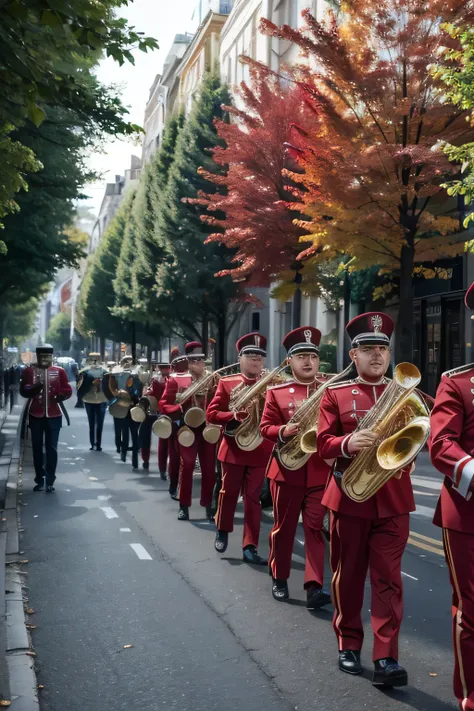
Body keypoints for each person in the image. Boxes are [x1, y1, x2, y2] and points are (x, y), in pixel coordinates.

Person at [317, 312, 414, 686]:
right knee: (350, 575)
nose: (377, 356)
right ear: (353, 355)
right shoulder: (334, 393)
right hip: (349, 497)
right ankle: (349, 643)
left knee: (389, 579)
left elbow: (427, 432)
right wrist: (346, 442)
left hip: (393, 499)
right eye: (369, 349)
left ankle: (386, 657)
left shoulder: (407, 394)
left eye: (383, 349)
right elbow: (321, 444)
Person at [259, 327, 332, 606]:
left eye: (312, 356)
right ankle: (279, 576)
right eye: (301, 356)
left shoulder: (330, 389)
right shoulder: (276, 393)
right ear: (289, 361)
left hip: (317, 471)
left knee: (314, 528)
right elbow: (265, 428)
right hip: (286, 471)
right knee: (284, 527)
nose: (308, 362)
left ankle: (313, 586)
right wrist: (282, 430)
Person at [429, 282, 474, 711]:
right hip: (469, 512)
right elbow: (442, 445)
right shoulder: (458, 383)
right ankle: (471, 695)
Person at [207, 333, 274, 565]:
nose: (255, 360)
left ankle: (249, 546)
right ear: (240, 358)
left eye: (259, 356)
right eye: (250, 355)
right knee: (228, 493)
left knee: (253, 499)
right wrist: (233, 415)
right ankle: (222, 529)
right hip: (234, 449)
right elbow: (211, 414)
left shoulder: (273, 384)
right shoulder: (227, 383)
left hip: (259, 451)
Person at [159, 342, 216, 521]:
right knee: (188, 465)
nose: (198, 363)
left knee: (208, 469)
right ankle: (184, 505)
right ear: (188, 362)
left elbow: (222, 401)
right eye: (194, 360)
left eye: (201, 360)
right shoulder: (176, 379)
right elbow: (164, 403)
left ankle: (208, 505)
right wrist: (178, 408)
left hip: (207, 428)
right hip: (187, 428)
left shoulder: (214, 378)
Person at [20, 344, 72, 492]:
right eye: (43, 356)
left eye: (48, 356)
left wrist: (61, 394)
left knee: (52, 448)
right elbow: (24, 390)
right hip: (35, 414)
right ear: (38, 356)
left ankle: (50, 479)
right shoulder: (28, 371)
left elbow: (67, 389)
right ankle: (39, 478)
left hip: (54, 414)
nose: (45, 359)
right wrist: (35, 386)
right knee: (37, 448)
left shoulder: (59, 371)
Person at [140, 361, 171, 476]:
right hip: (157, 411)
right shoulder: (154, 379)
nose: (166, 371)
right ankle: (149, 461)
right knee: (157, 438)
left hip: (162, 411)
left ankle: (152, 462)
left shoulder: (155, 379)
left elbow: (146, 393)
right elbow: (146, 393)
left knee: (162, 440)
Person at [78, 353, 108, 451]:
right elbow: (80, 385)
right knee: (92, 423)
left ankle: (98, 443)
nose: (95, 360)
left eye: (96, 358)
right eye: (93, 358)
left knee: (99, 423)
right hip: (89, 398)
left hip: (101, 399)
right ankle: (92, 443)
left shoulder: (105, 371)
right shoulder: (85, 372)